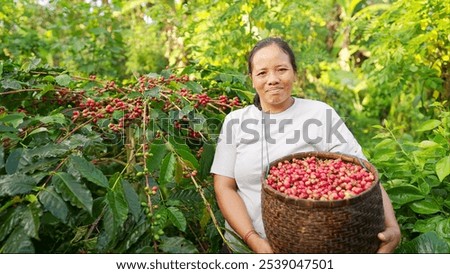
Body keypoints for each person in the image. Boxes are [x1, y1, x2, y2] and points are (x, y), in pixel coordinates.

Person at [210, 37, 401, 254]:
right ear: (252, 79)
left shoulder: (320, 113)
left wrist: (392, 227)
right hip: (244, 248)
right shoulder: (236, 122)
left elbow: (364, 174)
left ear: (294, 73)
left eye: (281, 69)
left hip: (312, 247)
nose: (272, 79)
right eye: (262, 73)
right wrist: (252, 239)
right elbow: (224, 186)